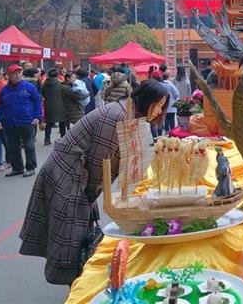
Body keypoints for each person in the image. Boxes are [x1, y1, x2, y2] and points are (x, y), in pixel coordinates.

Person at [19, 79, 169, 285]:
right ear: (145, 99)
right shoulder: (118, 116)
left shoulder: (129, 113)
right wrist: (91, 193)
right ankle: (75, 284)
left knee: (77, 231)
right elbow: (100, 160)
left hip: (78, 172)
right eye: (157, 103)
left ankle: (77, 278)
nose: (159, 109)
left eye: (163, 105)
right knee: (71, 232)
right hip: (68, 172)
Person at [0, 64, 42, 177]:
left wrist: (38, 116)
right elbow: (0, 106)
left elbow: (37, 101)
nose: (18, 75)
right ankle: (17, 168)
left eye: (19, 73)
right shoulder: (4, 90)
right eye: (15, 74)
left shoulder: (29, 87)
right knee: (13, 147)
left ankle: (30, 167)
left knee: (29, 145)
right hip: (10, 122)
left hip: (27, 121)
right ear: (9, 75)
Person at [40, 68, 67, 146]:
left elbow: (43, 94)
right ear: (57, 75)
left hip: (48, 105)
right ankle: (63, 138)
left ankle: (47, 139)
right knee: (62, 122)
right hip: (60, 104)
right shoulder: (60, 84)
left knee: (48, 123)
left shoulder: (44, 84)